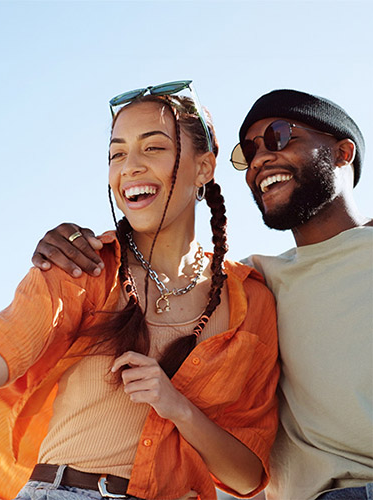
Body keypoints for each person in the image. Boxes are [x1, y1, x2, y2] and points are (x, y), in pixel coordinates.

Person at [0, 81, 279, 500]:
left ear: (205, 167)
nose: (130, 167)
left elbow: (248, 476)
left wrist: (177, 407)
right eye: (116, 153)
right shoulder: (81, 266)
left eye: (153, 148)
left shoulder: (251, 303)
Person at [31, 89, 373, 500]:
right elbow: (171, 267)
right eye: (248, 151)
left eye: (281, 136)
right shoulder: (254, 283)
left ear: (342, 152)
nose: (261, 158)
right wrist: (67, 240)